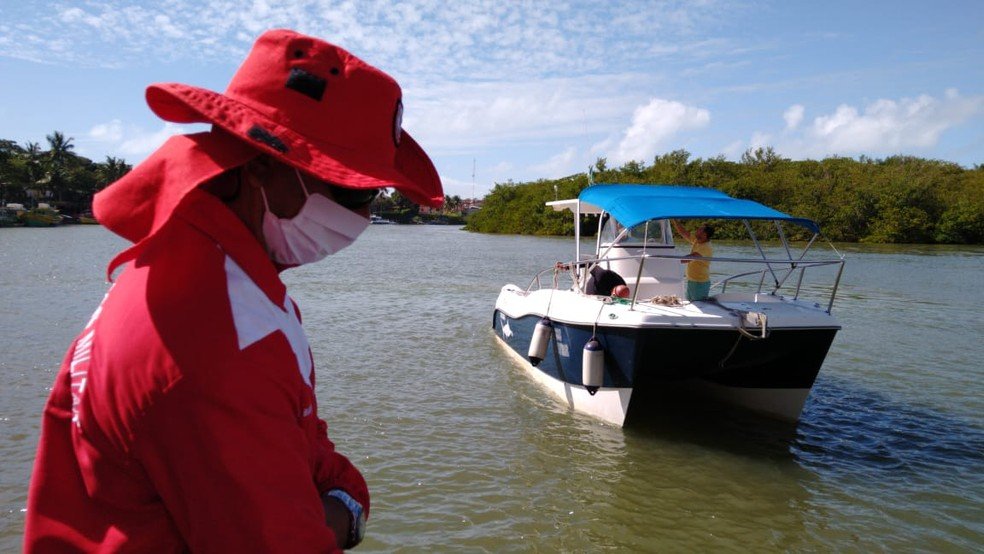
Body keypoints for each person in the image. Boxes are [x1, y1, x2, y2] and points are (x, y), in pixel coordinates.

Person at [24, 29, 443, 553]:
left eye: (373, 192)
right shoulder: (217, 339)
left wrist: (341, 494)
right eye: (350, 188)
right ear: (262, 165)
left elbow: (299, 434)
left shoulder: (203, 272)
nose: (364, 214)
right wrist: (346, 512)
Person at [672, 220, 715, 301]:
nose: (696, 230)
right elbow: (683, 232)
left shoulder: (706, 247)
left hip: (699, 283)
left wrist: (669, 261)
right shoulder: (697, 241)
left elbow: (689, 258)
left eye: (699, 230)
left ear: (704, 234)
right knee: (690, 304)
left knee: (697, 306)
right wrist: (674, 220)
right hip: (692, 281)